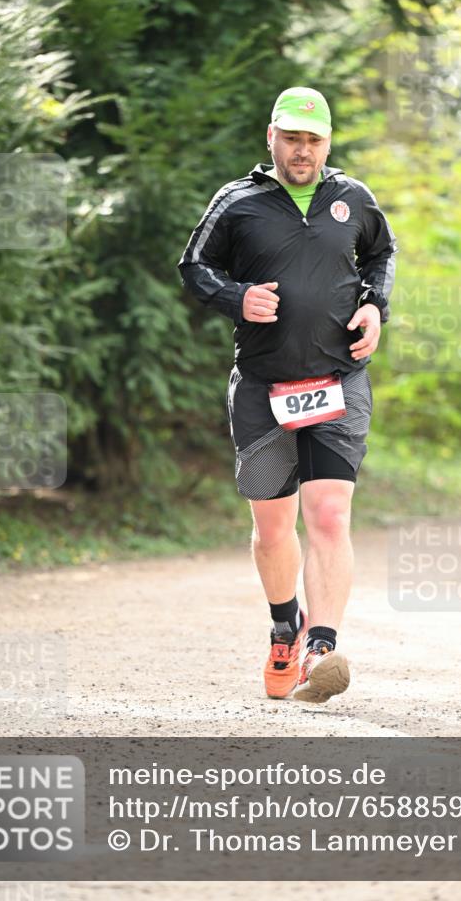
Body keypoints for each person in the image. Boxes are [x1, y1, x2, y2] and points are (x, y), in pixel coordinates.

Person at [178, 87, 397, 703]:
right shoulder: (238, 202)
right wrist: (235, 296)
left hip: (338, 381)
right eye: (292, 138)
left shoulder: (352, 199)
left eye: (314, 140)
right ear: (270, 137)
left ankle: (321, 651)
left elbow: (382, 252)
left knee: (328, 514)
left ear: (328, 143)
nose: (303, 151)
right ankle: (285, 627)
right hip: (262, 385)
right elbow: (195, 266)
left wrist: (375, 307)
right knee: (274, 528)